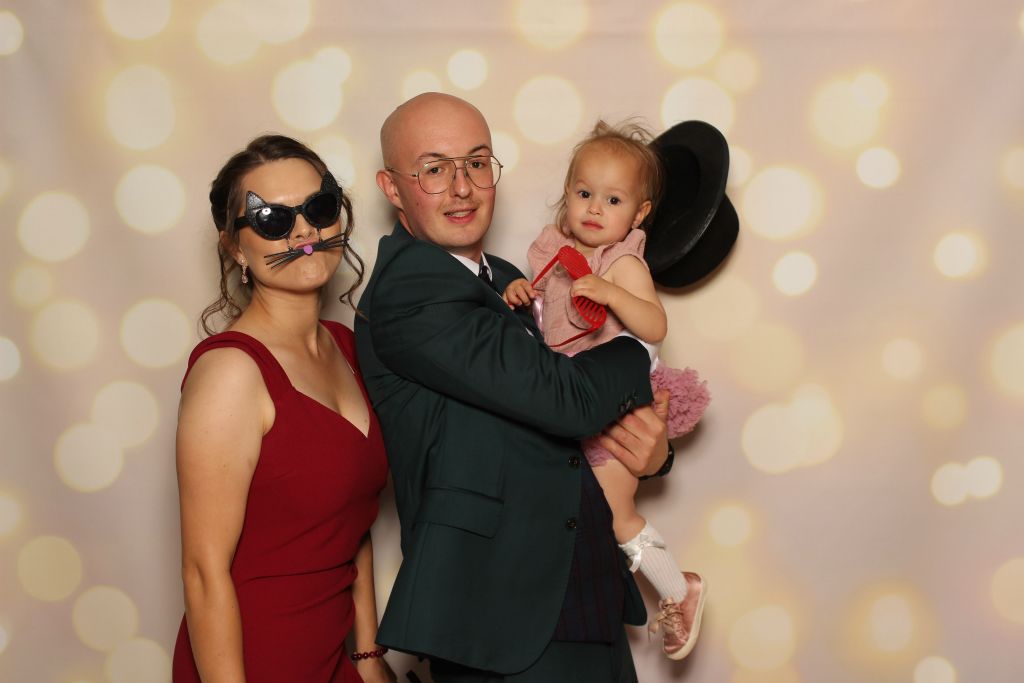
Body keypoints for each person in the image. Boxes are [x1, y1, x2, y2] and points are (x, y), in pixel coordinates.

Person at [355, 92, 672, 682]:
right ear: (392, 188)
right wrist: (643, 345)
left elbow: (559, 406)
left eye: (477, 163)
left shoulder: (508, 278)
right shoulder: (410, 289)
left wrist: (653, 454)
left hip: (585, 589)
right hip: (498, 616)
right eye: (433, 169)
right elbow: (568, 400)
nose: (462, 187)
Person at [172, 135, 395, 683]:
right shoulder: (230, 373)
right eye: (272, 219)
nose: (303, 233)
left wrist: (369, 656)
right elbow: (203, 572)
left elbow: (351, 520)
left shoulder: (347, 348)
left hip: (333, 651)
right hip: (252, 658)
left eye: (319, 208)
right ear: (235, 248)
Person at [503, 120, 709, 660]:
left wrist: (613, 295)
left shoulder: (622, 262)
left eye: (613, 200)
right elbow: (546, 322)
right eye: (584, 193)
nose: (594, 208)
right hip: (569, 404)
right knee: (575, 513)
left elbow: (655, 325)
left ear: (638, 214)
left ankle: (679, 588)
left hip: (616, 410)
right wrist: (522, 291)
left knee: (614, 512)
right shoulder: (554, 254)